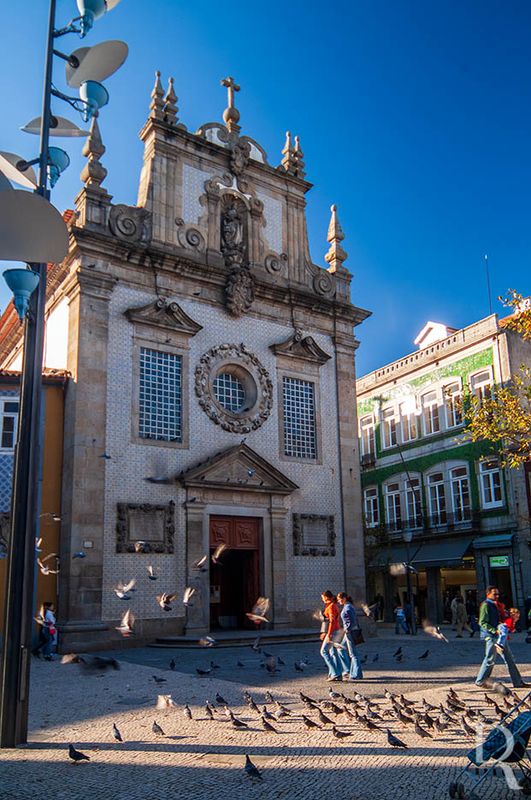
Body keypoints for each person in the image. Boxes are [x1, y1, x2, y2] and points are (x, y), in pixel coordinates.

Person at [475, 587, 527, 689]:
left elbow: (500, 618)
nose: (497, 596)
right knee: (490, 659)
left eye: (498, 594)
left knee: (509, 659)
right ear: (488, 594)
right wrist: (495, 630)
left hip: (499, 638)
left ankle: (518, 682)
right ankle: (480, 681)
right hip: (491, 637)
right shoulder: (486, 605)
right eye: (495, 594)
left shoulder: (496, 605)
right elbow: (482, 622)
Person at [337, 592, 364, 682]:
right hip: (348, 631)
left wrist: (347, 629)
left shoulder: (348, 607)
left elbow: (353, 620)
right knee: (340, 648)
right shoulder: (348, 606)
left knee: (353, 654)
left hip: (350, 632)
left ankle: (357, 674)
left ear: (344, 598)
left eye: (339, 599)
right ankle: (348, 670)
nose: (338, 601)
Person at [319, 590, 342, 682]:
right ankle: (337, 674)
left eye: (322, 597)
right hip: (335, 630)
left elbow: (332, 621)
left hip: (333, 632)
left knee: (324, 651)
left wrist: (328, 634)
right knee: (333, 653)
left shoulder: (331, 606)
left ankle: (335, 673)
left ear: (325, 597)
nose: (322, 599)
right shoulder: (332, 605)